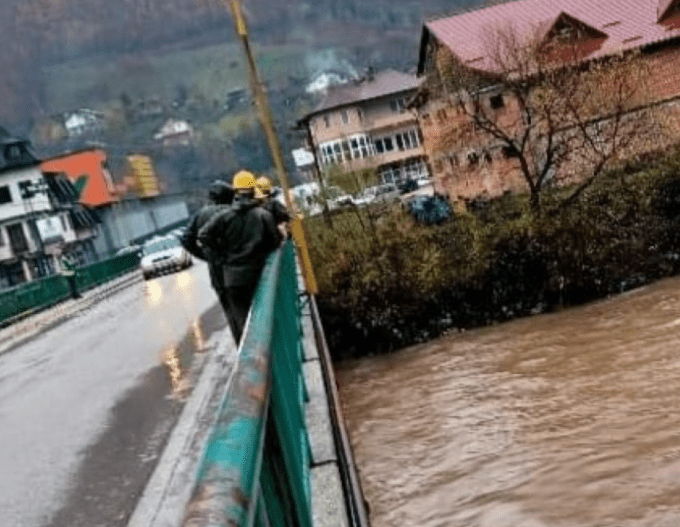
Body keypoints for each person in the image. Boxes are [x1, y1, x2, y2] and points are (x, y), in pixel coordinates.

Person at [198, 170, 282, 345]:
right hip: (260, 275)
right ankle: (273, 353)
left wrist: (221, 255)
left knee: (245, 325)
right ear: (253, 191)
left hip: (233, 279)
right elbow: (275, 241)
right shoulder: (263, 216)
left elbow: (203, 235)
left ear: (235, 192)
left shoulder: (224, 216)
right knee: (267, 317)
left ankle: (253, 360)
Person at [181, 180, 235, 314]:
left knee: (229, 309)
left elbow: (186, 239)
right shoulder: (232, 211)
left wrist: (205, 256)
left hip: (216, 271)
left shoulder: (200, 215)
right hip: (238, 266)